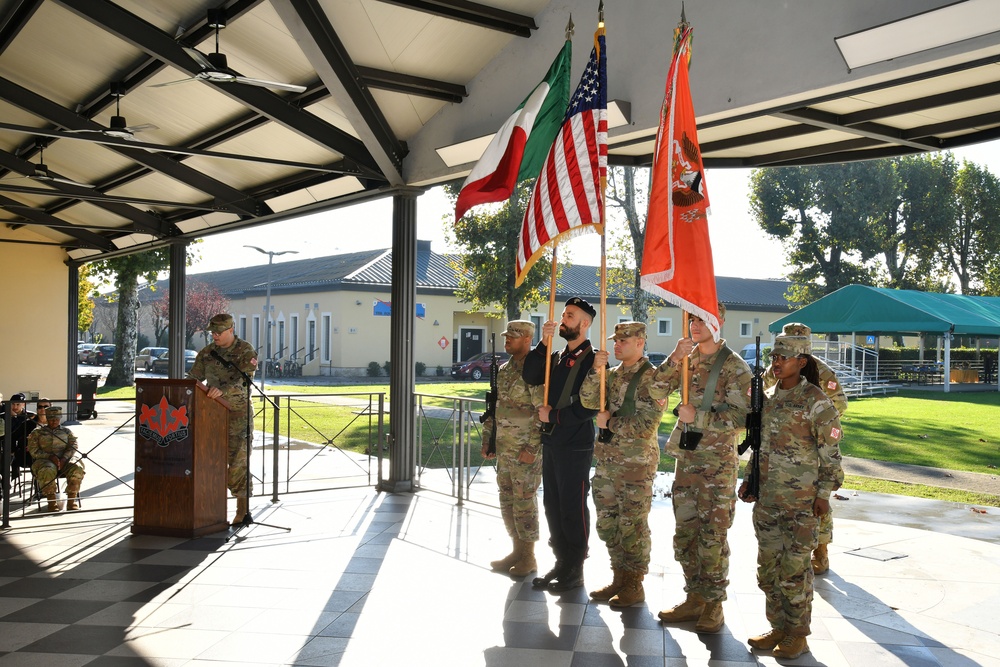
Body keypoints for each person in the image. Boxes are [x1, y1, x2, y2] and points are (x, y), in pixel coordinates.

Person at [739, 330, 844, 660]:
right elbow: (759, 445)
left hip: (801, 501)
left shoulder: (815, 400)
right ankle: (778, 627)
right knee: (768, 569)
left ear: (802, 362)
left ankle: (797, 633)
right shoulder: (767, 396)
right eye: (774, 357)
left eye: (783, 358)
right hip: (768, 499)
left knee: (795, 571)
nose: (777, 363)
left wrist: (824, 493)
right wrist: (749, 479)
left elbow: (831, 452)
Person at [653, 303, 752, 633]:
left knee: (713, 536)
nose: (695, 325)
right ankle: (694, 597)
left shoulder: (735, 368)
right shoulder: (688, 358)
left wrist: (700, 417)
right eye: (691, 319)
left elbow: (743, 418)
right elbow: (654, 389)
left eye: (702, 319)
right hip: (688, 462)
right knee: (686, 534)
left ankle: (713, 605)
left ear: (719, 321)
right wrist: (674, 358)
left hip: (717, 467)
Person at [580, 321, 666, 607]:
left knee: (632, 527)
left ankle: (634, 584)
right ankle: (619, 576)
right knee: (608, 524)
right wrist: (595, 370)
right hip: (607, 462)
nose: (617, 345)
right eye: (615, 340)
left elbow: (647, 424)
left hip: (635, 465)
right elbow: (588, 399)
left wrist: (611, 423)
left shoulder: (651, 378)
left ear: (640, 342)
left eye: (623, 341)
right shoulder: (612, 374)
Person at [522, 296, 598, 592]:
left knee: (572, 505)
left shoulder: (593, 360)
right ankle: (561, 560)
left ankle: (575, 566)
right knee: (552, 504)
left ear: (585, 323)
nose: (564, 318)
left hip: (575, 444)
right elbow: (530, 375)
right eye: (564, 314)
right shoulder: (556, 357)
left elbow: (591, 406)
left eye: (570, 315)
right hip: (552, 442)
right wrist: (543, 343)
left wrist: (554, 415)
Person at [763, 323, 847, 575]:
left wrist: (816, 420)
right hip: (780, 450)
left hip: (814, 445)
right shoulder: (775, 369)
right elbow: (764, 396)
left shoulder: (822, 372)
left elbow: (839, 404)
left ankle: (821, 547)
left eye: (798, 340)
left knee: (818, 501)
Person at [482, 320, 544, 577]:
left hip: (524, 450)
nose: (508, 340)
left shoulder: (535, 372)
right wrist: (489, 439)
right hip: (505, 448)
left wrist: (532, 448)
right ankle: (516, 550)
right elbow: (494, 408)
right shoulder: (504, 370)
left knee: (524, 503)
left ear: (528, 339)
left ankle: (528, 556)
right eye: (507, 336)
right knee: (507, 500)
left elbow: (542, 413)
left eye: (514, 337)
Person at [188, 313, 259, 524]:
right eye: (212, 333)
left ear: (231, 330)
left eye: (219, 332)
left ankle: (242, 510)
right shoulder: (208, 352)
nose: (215, 336)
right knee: (210, 461)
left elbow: (244, 382)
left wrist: (222, 391)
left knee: (238, 462)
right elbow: (194, 377)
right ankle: (211, 510)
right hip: (211, 415)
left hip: (238, 415)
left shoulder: (246, 351)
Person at [27, 406, 85, 511]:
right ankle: (51, 501)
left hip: (65, 460)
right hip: (44, 461)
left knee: (77, 467)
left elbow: (73, 446)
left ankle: (72, 500)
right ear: (47, 419)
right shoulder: (38, 432)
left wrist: (64, 458)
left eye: (56, 419)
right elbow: (33, 450)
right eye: (51, 419)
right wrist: (49, 456)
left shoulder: (67, 432)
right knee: (47, 470)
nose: (54, 421)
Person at [1, 393, 39, 479]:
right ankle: (6, 484)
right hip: (8, 446)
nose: (15, 407)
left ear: (23, 404)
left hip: (25, 447)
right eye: (13, 404)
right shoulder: (4, 416)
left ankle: (38, 486)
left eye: (18, 404)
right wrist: (12, 417)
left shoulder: (31, 416)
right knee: (4, 462)